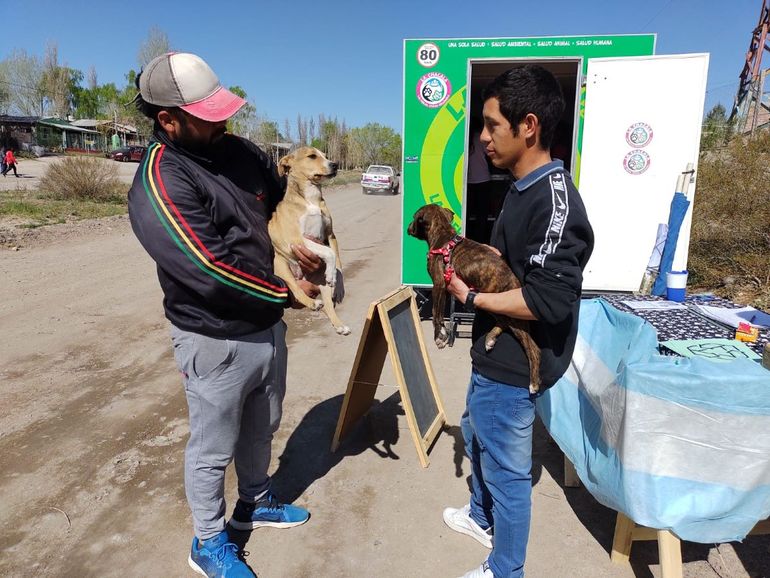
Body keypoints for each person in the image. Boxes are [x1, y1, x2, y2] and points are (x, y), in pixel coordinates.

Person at [127, 51, 324, 578]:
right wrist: (288, 294)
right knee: (212, 448)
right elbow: (209, 270)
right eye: (207, 116)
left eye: (223, 112)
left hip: (265, 326)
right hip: (212, 338)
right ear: (168, 119)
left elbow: (284, 201)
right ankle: (208, 541)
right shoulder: (161, 181)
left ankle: (256, 499)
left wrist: (306, 246)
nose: (223, 124)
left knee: (264, 425)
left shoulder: (238, 150)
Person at [443, 65, 595, 578]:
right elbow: (514, 263)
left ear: (528, 125)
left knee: (509, 472)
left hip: (514, 366)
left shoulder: (556, 203)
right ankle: (481, 516)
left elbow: (548, 300)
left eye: (490, 126)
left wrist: (474, 298)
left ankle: (506, 569)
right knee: (474, 431)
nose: (482, 138)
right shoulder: (519, 186)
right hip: (491, 355)